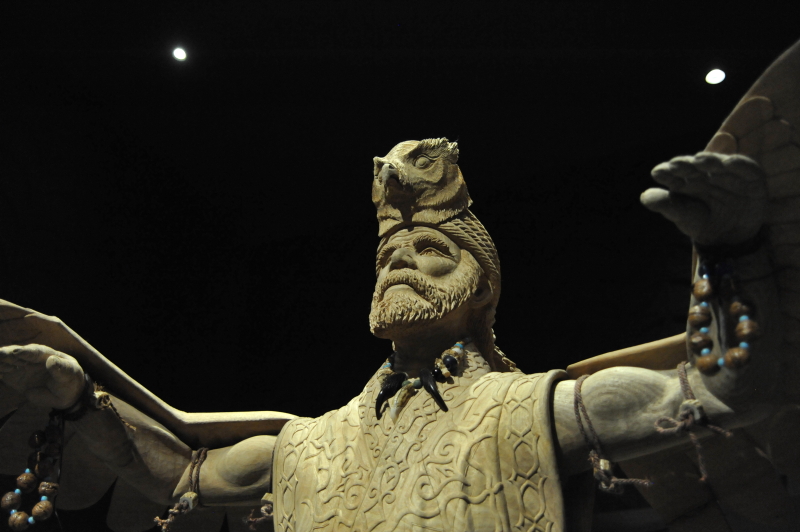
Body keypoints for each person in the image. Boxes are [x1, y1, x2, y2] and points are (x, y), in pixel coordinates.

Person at [0, 130, 785, 532]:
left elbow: (722, 394)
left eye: (431, 250)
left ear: (482, 289)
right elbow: (179, 476)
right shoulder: (307, 446)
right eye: (387, 256)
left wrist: (739, 251)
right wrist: (75, 402)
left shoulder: (537, 411)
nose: (399, 263)